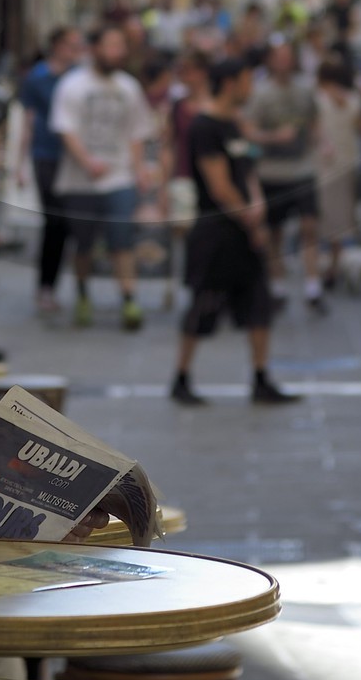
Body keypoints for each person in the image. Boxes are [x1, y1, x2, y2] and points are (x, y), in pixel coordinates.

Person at [170, 57, 299, 408]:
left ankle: (261, 378)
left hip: (245, 230)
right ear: (229, 84)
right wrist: (249, 217)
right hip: (216, 233)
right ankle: (181, 378)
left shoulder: (236, 124)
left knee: (259, 304)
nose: (251, 88)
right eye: (246, 80)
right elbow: (220, 186)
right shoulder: (205, 126)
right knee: (203, 305)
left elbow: (248, 171)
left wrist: (256, 206)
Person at [50, 22, 158, 329]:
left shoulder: (129, 87)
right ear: (95, 49)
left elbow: (137, 132)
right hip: (80, 181)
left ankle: (129, 298)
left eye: (120, 46)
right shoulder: (72, 85)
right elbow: (65, 129)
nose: (116, 52)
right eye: (110, 45)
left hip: (119, 177)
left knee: (121, 241)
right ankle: (83, 294)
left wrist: (139, 171)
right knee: (83, 244)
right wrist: (87, 161)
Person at [247, 38, 325, 312]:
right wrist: (273, 137)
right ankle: (277, 286)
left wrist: (321, 143)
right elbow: (249, 131)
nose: (283, 62)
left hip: (302, 169)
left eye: (287, 56)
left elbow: (314, 121)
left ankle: (313, 286)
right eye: (278, 57)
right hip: (272, 173)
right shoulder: (260, 93)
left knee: (309, 226)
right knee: (274, 233)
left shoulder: (305, 90)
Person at [15, 26, 84, 318]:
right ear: (56, 45)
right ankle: (46, 286)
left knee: (74, 224)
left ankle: (75, 288)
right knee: (54, 221)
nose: (74, 50)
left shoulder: (80, 76)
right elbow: (28, 121)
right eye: (69, 45)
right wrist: (20, 163)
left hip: (76, 156)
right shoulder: (37, 77)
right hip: (47, 154)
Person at [313, 53, 361, 293]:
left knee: (319, 220)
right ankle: (333, 267)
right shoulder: (353, 101)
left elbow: (313, 131)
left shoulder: (316, 99)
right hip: (346, 166)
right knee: (339, 222)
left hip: (321, 167)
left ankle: (320, 268)